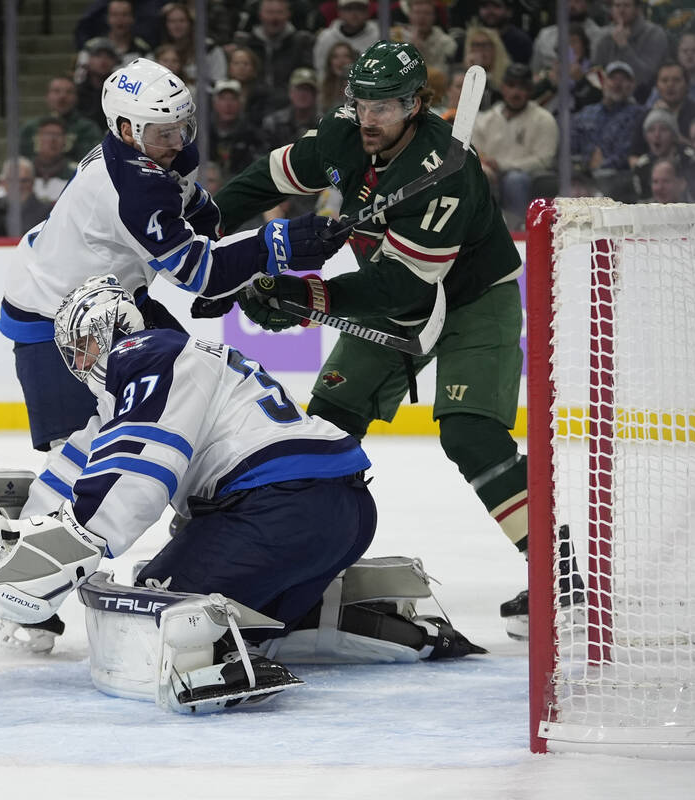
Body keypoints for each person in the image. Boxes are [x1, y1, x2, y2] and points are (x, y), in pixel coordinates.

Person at [0, 276, 482, 692]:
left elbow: (136, 476)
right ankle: (372, 624)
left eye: (78, 349)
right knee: (252, 616)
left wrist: (62, 551)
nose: (78, 363)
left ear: (92, 339)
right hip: (342, 511)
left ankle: (219, 661)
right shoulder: (165, 364)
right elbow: (73, 470)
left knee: (152, 612)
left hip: (278, 512)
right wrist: (7, 546)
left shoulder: (146, 357)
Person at [209, 42, 543, 636]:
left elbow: (406, 291)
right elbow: (269, 178)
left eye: (386, 106)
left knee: (472, 434)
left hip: (472, 296)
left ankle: (562, 576)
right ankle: (302, 566)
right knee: (328, 430)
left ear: (417, 104)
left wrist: (308, 298)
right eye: (362, 102)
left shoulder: (446, 174)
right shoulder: (345, 135)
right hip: (388, 280)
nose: (369, 117)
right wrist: (205, 232)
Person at [0, 57, 339, 454]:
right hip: (51, 317)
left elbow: (201, 216)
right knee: (81, 454)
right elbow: (198, 273)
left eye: (182, 128)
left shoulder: (159, 155)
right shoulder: (133, 187)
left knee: (188, 395)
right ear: (127, 130)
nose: (178, 143)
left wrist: (234, 274)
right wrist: (280, 243)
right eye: (164, 133)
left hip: (116, 296)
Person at [472, 62, 558, 231]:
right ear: (503, 88)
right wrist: (484, 168)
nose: (515, 92)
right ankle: (477, 233)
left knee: (514, 179)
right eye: (511, 86)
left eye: (522, 87)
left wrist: (503, 166)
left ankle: (518, 232)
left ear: (530, 90)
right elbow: (473, 152)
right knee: (475, 177)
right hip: (490, 175)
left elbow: (544, 160)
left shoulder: (543, 119)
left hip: (525, 179)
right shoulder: (485, 119)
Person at [570, 60, 644, 201]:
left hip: (616, 178)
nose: (617, 84)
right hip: (582, 175)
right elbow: (571, 145)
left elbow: (629, 153)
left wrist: (600, 165)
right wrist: (585, 164)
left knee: (606, 176)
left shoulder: (638, 115)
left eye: (623, 80)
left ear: (632, 85)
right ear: (603, 82)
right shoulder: (587, 112)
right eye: (613, 78)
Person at [233, 0, 316, 114]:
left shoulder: (301, 43)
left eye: (279, 12)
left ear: (288, 14)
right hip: (252, 108)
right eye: (269, 12)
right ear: (260, 14)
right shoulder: (248, 44)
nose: (274, 18)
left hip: (290, 108)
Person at [590, 0, 668, 102]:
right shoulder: (603, 37)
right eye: (617, 6)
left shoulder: (654, 34)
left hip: (646, 99)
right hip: (607, 100)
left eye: (626, 5)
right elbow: (594, 74)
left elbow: (645, 77)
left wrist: (624, 46)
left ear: (638, 9)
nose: (621, 10)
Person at [19, 76, 103, 162]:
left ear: (76, 98)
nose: (62, 96)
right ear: (47, 97)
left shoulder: (88, 129)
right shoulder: (30, 128)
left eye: (69, 92)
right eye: (56, 91)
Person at [630, 107, 695, 201]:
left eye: (663, 129)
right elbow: (643, 201)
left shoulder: (690, 159)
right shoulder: (642, 166)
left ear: (674, 135)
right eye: (651, 130)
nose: (657, 135)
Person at [312, 0, 378, 81]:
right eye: (349, 9)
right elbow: (320, 70)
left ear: (367, 12)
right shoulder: (326, 38)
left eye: (359, 8)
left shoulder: (379, 37)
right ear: (339, 12)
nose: (354, 13)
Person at [390, 0, 456, 71]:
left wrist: (422, 50)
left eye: (427, 13)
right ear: (410, 15)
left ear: (434, 16)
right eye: (417, 13)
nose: (422, 17)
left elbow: (442, 74)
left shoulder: (446, 42)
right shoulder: (398, 38)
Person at [74, 38, 121, 129]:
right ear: (89, 60)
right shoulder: (77, 91)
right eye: (98, 56)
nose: (103, 61)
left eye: (109, 57)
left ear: (115, 62)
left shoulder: (120, 92)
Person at [28, 117, 77, 205]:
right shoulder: (23, 171)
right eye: (47, 134)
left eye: (58, 135)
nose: (53, 140)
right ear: (37, 138)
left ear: (65, 140)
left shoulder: (75, 172)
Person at [318, 41, 357, 113]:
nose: (341, 61)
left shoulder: (361, 90)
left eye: (346, 56)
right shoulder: (323, 90)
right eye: (335, 57)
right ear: (330, 62)